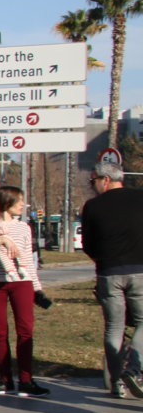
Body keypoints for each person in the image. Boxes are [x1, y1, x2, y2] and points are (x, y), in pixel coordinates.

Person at [80, 161, 143, 399]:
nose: (92, 185)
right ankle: (134, 369)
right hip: (140, 270)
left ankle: (117, 383)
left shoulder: (92, 206)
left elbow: (88, 245)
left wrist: (102, 259)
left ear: (105, 180)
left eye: (92, 180)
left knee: (114, 328)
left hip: (108, 272)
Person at [0, 186, 50, 398]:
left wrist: (37, 288)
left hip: (22, 283)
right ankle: (5, 380)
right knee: (0, 333)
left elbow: (28, 260)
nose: (23, 204)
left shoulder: (24, 228)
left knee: (25, 331)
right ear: (6, 202)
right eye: (19, 200)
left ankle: (26, 380)